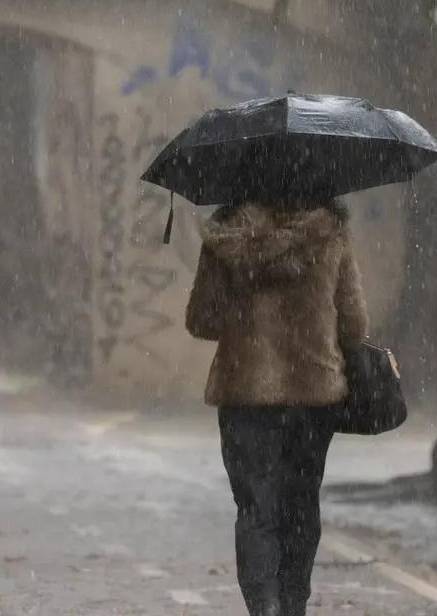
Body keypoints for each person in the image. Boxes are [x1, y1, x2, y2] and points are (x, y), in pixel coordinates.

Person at [186, 199, 368, 616]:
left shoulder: (225, 236)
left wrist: (244, 313)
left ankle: (264, 607)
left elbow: (201, 320)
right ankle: (293, 604)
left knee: (256, 510)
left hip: (245, 393)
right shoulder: (331, 231)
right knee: (301, 505)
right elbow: (355, 325)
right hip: (313, 393)